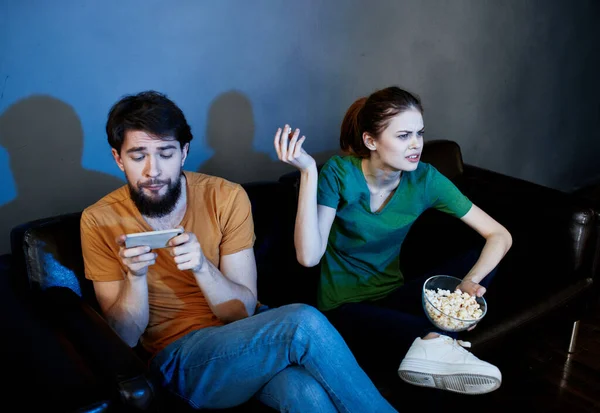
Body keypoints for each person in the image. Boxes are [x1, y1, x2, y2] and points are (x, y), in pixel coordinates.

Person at [80, 90, 399, 412]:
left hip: (246, 334)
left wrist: (203, 267)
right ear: (118, 158)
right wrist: (135, 277)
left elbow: (241, 312)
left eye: (166, 154)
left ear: (184, 152)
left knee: (305, 394)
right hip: (178, 358)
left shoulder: (225, 197)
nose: (153, 171)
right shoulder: (98, 221)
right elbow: (124, 337)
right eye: (138, 156)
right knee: (303, 321)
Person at [273, 85, 513, 395]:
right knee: (421, 336)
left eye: (419, 133)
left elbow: (499, 235)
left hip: (394, 295)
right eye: (403, 136)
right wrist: (307, 171)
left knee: (477, 258)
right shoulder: (339, 174)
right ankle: (440, 343)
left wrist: (468, 286)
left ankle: (439, 344)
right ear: (370, 140)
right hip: (344, 309)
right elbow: (309, 257)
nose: (416, 145)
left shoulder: (425, 178)